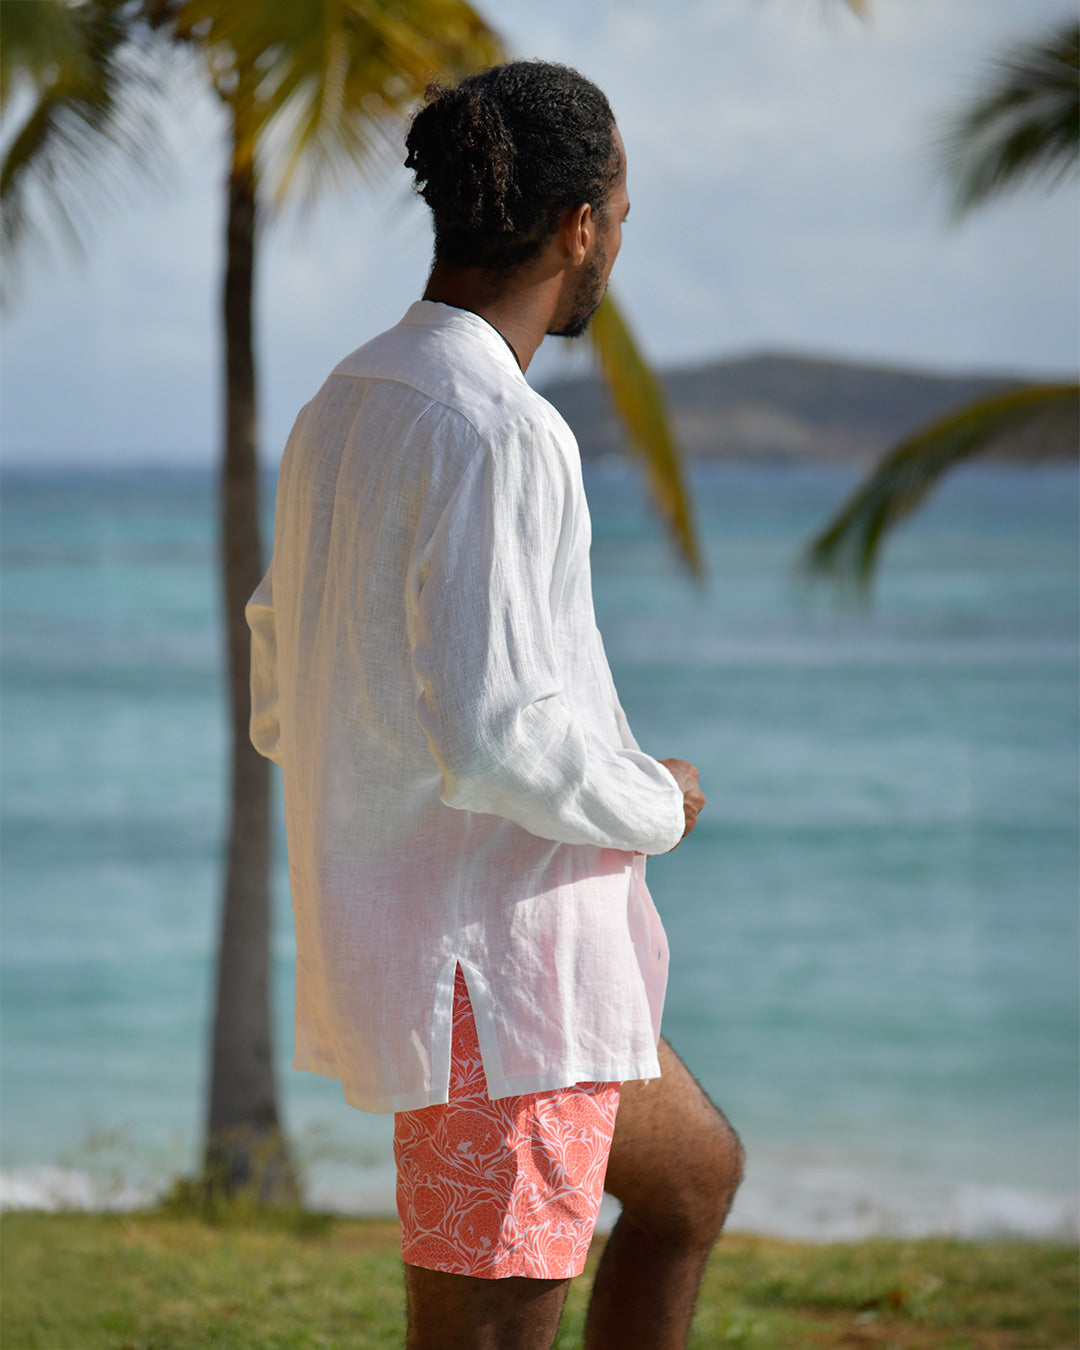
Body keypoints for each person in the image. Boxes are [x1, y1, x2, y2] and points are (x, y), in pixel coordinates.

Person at [246, 59, 744, 1350]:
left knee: (691, 1179)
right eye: (621, 218)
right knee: (488, 1330)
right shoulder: (498, 428)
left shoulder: (345, 399)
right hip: (497, 974)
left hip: (509, 956)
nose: (617, 246)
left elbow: (278, 667)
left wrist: (364, 786)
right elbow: (493, 731)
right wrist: (658, 799)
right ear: (581, 226)